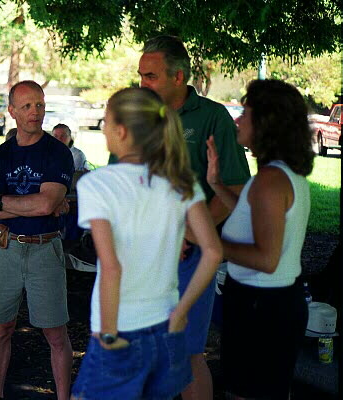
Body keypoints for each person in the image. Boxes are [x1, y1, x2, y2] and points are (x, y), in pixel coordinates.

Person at [70, 87, 222, 400]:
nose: (103, 130)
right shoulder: (181, 182)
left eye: (106, 122)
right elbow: (213, 251)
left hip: (121, 327)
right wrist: (181, 311)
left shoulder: (97, 184)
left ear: (122, 131)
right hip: (168, 326)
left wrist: (109, 335)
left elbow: (111, 268)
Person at [137, 35, 250, 400]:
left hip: (190, 256)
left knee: (186, 352)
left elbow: (233, 189)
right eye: (140, 75)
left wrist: (189, 236)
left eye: (150, 76)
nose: (142, 84)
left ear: (178, 76)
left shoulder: (212, 118)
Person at [207, 80, 314, 399]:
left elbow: (267, 259)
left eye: (246, 113)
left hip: (261, 308)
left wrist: (210, 244)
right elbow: (251, 216)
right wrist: (216, 185)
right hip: (271, 304)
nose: (238, 120)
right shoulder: (279, 174)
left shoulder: (270, 181)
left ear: (267, 123)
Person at [0, 80, 74, 400]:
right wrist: (33, 204)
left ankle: (63, 396)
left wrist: (3, 203)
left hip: (45, 247)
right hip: (5, 245)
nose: (36, 112)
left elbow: (46, 205)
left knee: (55, 333)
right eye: (27, 106)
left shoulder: (57, 153)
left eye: (40, 104)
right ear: (12, 112)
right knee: (0, 327)